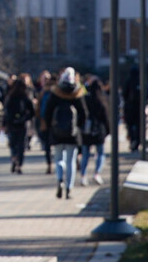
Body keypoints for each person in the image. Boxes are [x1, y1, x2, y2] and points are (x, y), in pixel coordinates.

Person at [42, 67, 88, 200]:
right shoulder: (77, 92)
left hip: (57, 132)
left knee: (58, 159)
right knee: (71, 161)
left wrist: (50, 126)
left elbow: (48, 112)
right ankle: (69, 188)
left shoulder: (56, 92)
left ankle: (60, 179)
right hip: (73, 133)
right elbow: (84, 113)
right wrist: (79, 127)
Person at [79, 74, 110, 186]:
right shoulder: (102, 100)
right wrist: (108, 129)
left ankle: (83, 176)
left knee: (85, 154)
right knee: (100, 153)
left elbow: (81, 114)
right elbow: (106, 116)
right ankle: (97, 173)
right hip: (99, 129)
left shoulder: (85, 99)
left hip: (87, 128)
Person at [2, 76, 35, 174]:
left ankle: (14, 159)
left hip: (12, 124)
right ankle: (19, 164)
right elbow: (32, 111)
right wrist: (26, 118)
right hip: (22, 124)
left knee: (13, 144)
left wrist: (4, 124)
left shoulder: (10, 98)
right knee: (21, 145)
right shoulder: (25, 98)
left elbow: (6, 112)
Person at [35, 70, 54, 174]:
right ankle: (49, 164)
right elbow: (39, 108)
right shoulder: (40, 92)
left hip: (51, 122)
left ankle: (50, 164)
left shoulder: (54, 92)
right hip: (45, 122)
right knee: (47, 145)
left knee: (50, 145)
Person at [123, 66, 142, 152]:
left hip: (129, 108)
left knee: (130, 126)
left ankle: (132, 141)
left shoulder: (128, 80)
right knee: (139, 126)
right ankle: (137, 142)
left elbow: (124, 93)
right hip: (140, 108)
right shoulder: (141, 80)